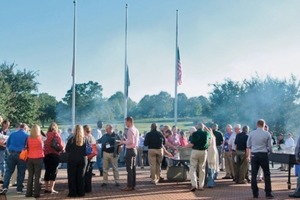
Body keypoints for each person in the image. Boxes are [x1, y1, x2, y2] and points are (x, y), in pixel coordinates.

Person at [247, 119, 274, 199]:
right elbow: (270, 146)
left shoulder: (252, 133)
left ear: (257, 124)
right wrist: (271, 151)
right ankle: (268, 193)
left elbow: (248, 145)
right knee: (267, 174)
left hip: (254, 155)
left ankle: (255, 193)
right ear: (264, 125)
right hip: (263, 154)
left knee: (254, 174)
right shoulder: (267, 134)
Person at [0, 123, 28, 195]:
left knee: (9, 171)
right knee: (21, 172)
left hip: (11, 154)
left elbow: (8, 144)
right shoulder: (27, 135)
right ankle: (19, 189)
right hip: (21, 155)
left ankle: (5, 187)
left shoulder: (12, 134)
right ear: (25, 128)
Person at [185, 123, 211, 192]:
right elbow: (210, 136)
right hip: (204, 151)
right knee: (202, 168)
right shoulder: (206, 133)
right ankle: (201, 185)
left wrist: (184, 147)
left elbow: (192, 144)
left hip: (195, 151)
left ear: (197, 127)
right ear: (203, 127)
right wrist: (206, 128)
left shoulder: (195, 134)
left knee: (192, 168)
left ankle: (194, 184)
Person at [66, 125, 88, 197]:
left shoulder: (71, 139)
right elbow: (87, 150)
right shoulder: (85, 139)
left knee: (72, 177)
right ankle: (81, 192)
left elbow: (67, 150)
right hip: (82, 159)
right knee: (81, 177)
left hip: (72, 159)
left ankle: (73, 193)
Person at [43, 122, 64, 194]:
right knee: (54, 171)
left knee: (47, 171)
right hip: (54, 155)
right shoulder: (56, 135)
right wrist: (61, 149)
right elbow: (61, 146)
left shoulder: (46, 135)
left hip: (46, 155)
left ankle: (46, 188)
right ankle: (51, 188)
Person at [121, 117, 139, 191]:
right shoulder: (136, 129)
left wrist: (123, 142)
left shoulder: (130, 130)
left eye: (126, 122)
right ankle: (133, 185)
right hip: (134, 150)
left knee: (129, 169)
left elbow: (130, 141)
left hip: (130, 150)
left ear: (129, 121)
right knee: (133, 169)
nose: (125, 123)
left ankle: (129, 186)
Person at [25, 124, 44, 198]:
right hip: (38, 158)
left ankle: (28, 193)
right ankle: (36, 193)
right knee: (37, 177)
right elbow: (45, 139)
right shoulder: (41, 138)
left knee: (30, 176)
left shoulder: (28, 138)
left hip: (30, 158)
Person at [83, 125, 97, 193]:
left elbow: (94, 151)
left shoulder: (90, 138)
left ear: (85, 130)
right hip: (90, 158)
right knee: (87, 174)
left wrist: (88, 157)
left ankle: (87, 189)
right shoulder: (91, 137)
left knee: (88, 174)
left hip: (90, 158)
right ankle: (87, 188)